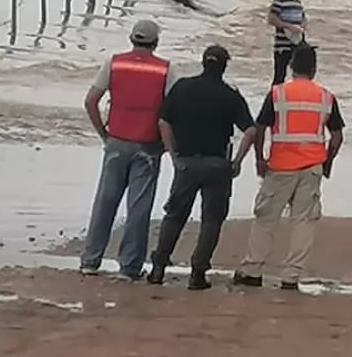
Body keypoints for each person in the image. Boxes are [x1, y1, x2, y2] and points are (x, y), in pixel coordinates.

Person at [233, 44, 344, 291]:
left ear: (291, 66)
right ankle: (291, 276)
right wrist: (327, 161)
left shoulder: (277, 93)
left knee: (265, 218)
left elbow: (259, 127)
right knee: (304, 221)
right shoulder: (326, 96)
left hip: (280, 165)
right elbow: (336, 136)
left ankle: (252, 270)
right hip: (312, 166)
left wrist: (259, 159)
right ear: (314, 69)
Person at [147, 46, 257, 290]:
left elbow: (163, 120)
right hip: (218, 165)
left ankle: (158, 269)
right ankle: (198, 273)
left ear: (203, 62)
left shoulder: (183, 87)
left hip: (186, 163)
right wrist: (237, 161)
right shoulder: (230, 95)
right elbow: (250, 130)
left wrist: (173, 154)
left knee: (174, 216)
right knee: (212, 220)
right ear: (224, 66)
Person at [81, 19, 178, 279]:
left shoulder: (115, 63)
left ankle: (90, 260)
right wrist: (169, 144)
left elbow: (90, 101)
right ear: (155, 41)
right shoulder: (165, 70)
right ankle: (130, 266)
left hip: (116, 140)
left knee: (104, 201)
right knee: (139, 206)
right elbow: (174, 110)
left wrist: (103, 132)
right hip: (148, 145)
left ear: (132, 38)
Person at [268, 0, 307, 85]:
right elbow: (271, 19)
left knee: (300, 75)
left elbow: (303, 18)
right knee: (279, 76)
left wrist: (302, 26)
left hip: (297, 44)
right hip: (282, 45)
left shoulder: (298, 2)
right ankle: (273, 100)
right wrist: (288, 27)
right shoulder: (279, 1)